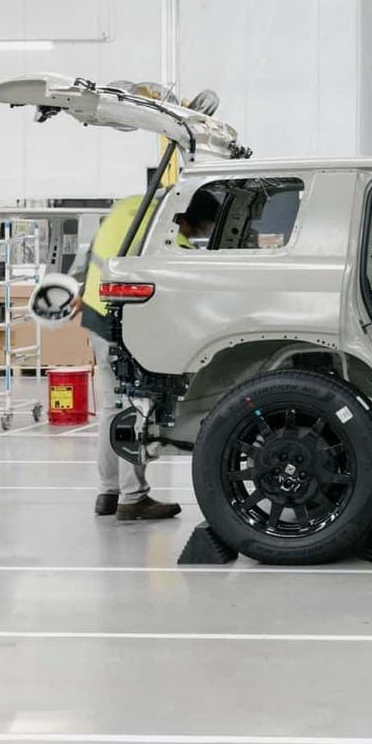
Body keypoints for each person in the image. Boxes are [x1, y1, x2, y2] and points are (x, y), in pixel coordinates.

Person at [78, 188, 220, 519]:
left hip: (96, 314)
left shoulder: (130, 206)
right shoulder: (167, 237)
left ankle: (108, 492)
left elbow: (93, 253)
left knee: (112, 408)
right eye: (196, 228)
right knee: (136, 407)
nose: (194, 235)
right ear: (183, 217)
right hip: (126, 325)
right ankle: (133, 498)